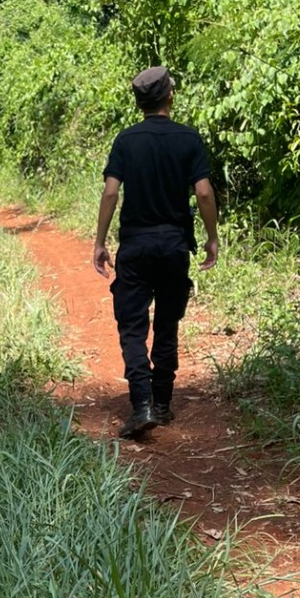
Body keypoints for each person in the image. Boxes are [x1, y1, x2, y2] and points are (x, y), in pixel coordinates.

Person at [92, 66, 219, 439]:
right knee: (167, 322)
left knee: (132, 326)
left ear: (139, 101)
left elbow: (112, 192)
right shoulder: (188, 139)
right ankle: (162, 403)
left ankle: (142, 404)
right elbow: (204, 193)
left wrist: (99, 242)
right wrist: (212, 237)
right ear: (170, 97)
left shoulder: (126, 141)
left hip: (135, 246)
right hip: (175, 244)